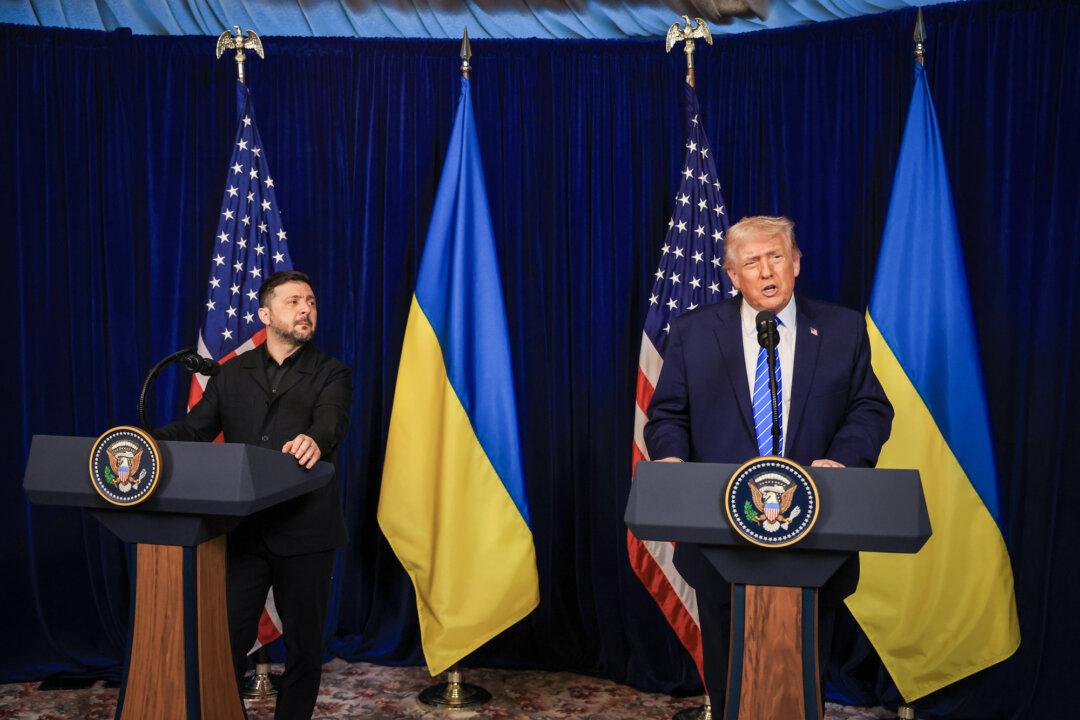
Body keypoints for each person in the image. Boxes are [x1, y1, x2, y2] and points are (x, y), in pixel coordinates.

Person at [643, 215, 893, 711]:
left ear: (796, 263)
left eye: (776, 256)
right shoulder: (694, 333)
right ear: (732, 276)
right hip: (719, 534)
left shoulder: (842, 329)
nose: (766, 271)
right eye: (751, 262)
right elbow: (667, 414)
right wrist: (671, 461)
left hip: (815, 531)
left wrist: (843, 461)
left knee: (804, 668)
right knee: (728, 666)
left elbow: (870, 407)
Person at [155, 270, 352, 720]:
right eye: (294, 302)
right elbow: (194, 429)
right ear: (265, 314)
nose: (306, 309)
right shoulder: (231, 373)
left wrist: (315, 440)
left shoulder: (331, 372)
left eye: (312, 301)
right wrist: (147, 440)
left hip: (307, 532)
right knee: (225, 642)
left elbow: (332, 421)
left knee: (304, 648)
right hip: (245, 531)